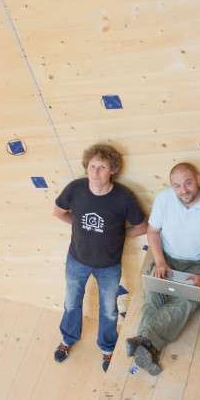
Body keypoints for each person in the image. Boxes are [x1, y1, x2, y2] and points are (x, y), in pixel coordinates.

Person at [125, 162, 200, 376]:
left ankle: (144, 340)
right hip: (168, 258)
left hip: (198, 263)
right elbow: (152, 232)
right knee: (153, 295)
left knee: (188, 300)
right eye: (177, 186)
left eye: (188, 183)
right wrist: (160, 262)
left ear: (198, 179)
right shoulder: (164, 198)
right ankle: (149, 348)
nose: (184, 190)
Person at [53, 143, 147, 371]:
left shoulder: (123, 198)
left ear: (112, 170)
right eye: (92, 166)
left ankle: (107, 349)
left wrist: (118, 235)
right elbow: (59, 212)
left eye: (102, 167)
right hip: (76, 261)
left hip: (109, 267)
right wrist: (78, 225)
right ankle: (67, 340)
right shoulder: (75, 189)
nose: (95, 172)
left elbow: (142, 227)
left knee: (109, 310)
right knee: (71, 303)